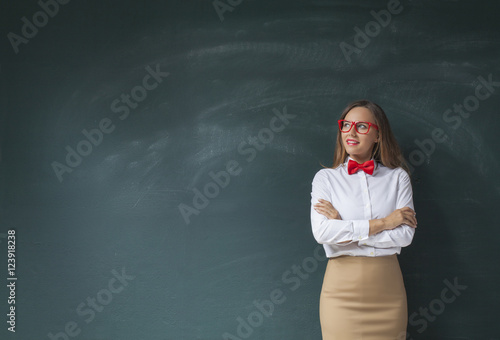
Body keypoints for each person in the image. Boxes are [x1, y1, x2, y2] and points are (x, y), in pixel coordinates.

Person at [310, 99, 418, 340]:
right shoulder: (325, 179)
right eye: (346, 125)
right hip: (340, 292)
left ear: (378, 135)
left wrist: (344, 228)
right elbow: (322, 233)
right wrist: (385, 223)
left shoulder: (398, 178)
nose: (351, 131)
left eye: (361, 126)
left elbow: (405, 236)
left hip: (387, 290)